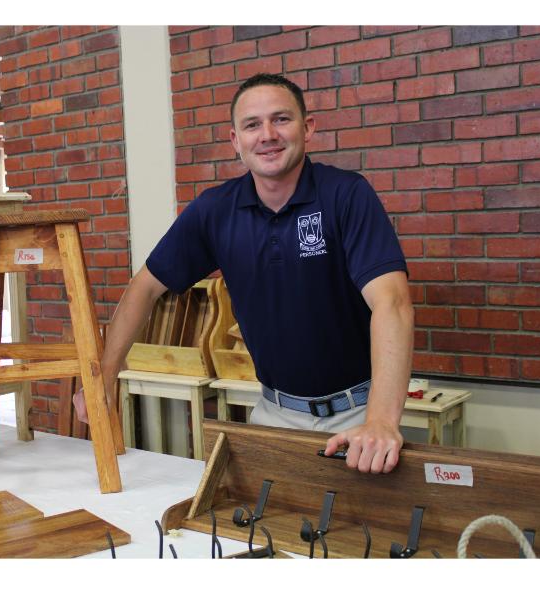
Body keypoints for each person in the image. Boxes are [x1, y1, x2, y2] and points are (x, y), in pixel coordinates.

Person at [75, 73, 414, 474]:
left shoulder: (347, 195)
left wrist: (381, 421)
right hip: (272, 415)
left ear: (307, 128)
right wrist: (105, 376)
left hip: (358, 417)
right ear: (236, 140)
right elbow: (145, 287)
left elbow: (392, 302)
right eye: (252, 125)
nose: (267, 135)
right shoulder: (215, 210)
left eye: (281, 119)